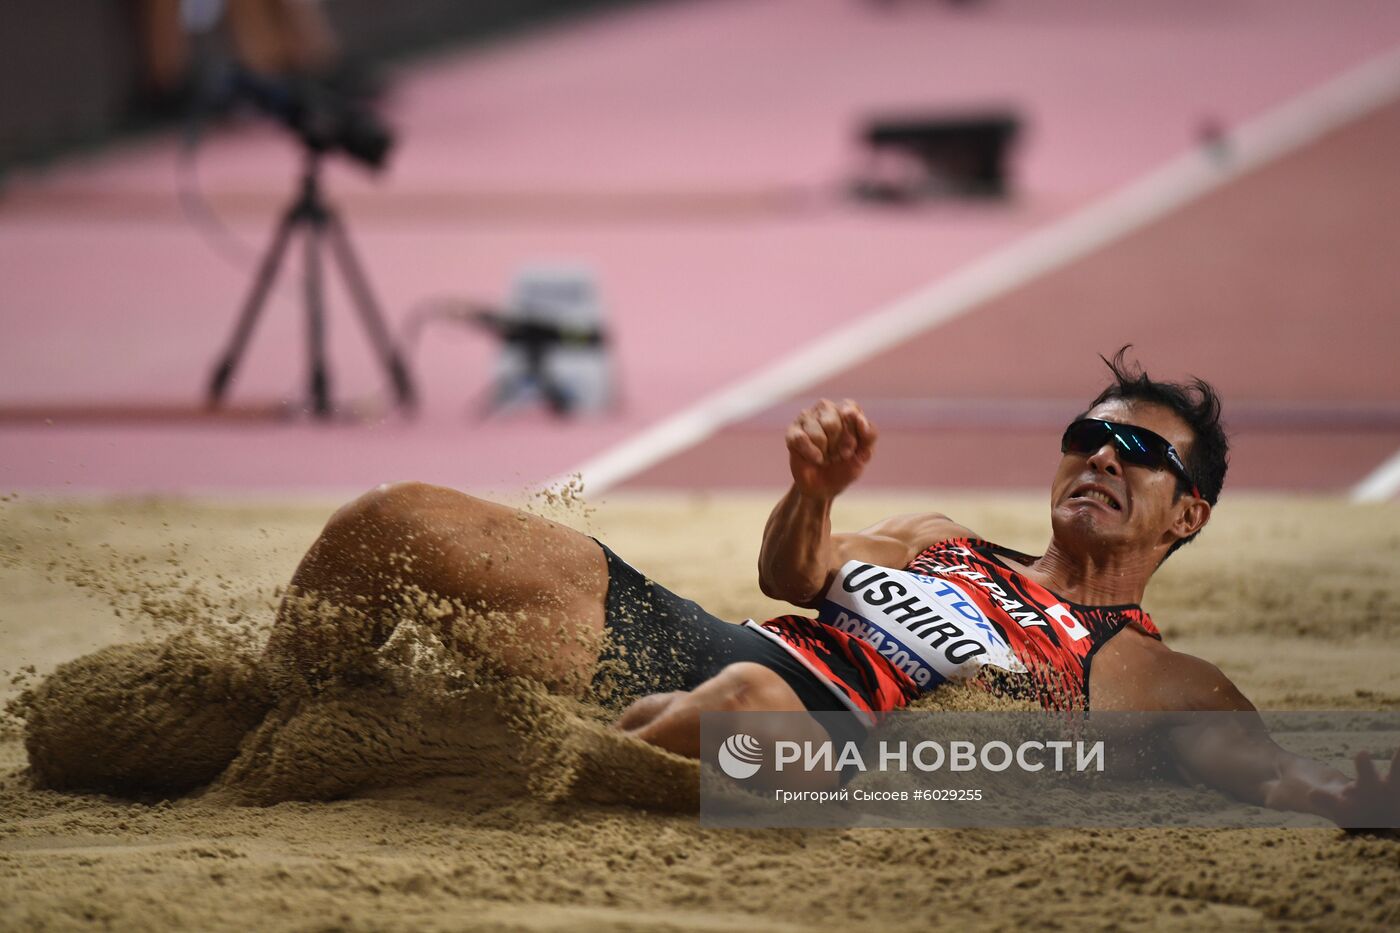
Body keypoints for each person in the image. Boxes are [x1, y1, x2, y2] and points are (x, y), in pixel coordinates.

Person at [263, 350, 1399, 826]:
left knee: (750, 714)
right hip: (716, 646)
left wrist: (1342, 796)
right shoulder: (942, 540)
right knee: (394, 522)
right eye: (1085, 436)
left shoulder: (1159, 677)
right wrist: (810, 490)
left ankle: (494, 759)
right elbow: (791, 571)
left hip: (842, 754)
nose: (1101, 456)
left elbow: (1267, 767)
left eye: (1139, 452)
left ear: (1187, 513)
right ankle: (264, 714)